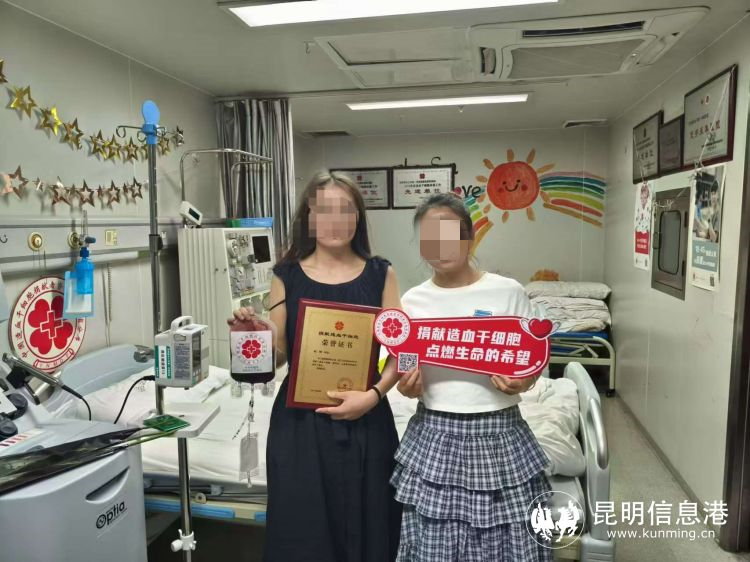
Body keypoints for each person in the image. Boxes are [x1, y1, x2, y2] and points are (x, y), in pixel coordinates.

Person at [229, 171, 403, 562]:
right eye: (323, 210)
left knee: (372, 525)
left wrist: (373, 396)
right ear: (308, 217)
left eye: (345, 210)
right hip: (300, 425)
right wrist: (252, 335)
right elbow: (278, 356)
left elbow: (401, 352)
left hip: (368, 419)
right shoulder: (285, 275)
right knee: (303, 532)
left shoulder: (382, 273)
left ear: (358, 217)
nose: (334, 220)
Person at [393, 192, 552, 561]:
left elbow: (534, 360)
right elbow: (405, 368)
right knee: (434, 539)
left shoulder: (507, 292)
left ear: (469, 236)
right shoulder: (412, 302)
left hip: (500, 432)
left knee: (510, 538)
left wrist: (524, 381)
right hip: (434, 433)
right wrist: (406, 386)